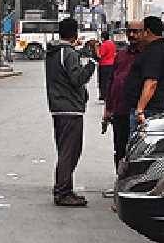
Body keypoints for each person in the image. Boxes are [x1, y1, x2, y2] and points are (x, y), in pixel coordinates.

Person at [44, 17, 98, 207]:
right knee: (70, 151)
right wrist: (92, 62)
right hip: (70, 109)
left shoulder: (53, 52)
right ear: (75, 34)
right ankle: (63, 192)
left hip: (59, 108)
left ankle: (63, 187)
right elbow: (77, 78)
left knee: (64, 149)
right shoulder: (67, 53)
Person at [103, 22, 142, 192]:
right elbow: (112, 81)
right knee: (119, 148)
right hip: (119, 110)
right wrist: (108, 109)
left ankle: (134, 186)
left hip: (137, 111)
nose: (132, 35)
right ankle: (120, 183)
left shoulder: (146, 56)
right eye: (130, 32)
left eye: (136, 32)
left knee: (136, 151)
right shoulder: (121, 55)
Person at [123, 15, 164, 133]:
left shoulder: (154, 51)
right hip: (151, 108)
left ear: (147, 32)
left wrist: (140, 109)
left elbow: (151, 82)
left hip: (148, 110)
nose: (139, 35)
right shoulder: (162, 48)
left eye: (141, 31)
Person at [97, 31, 117, 102]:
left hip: (104, 64)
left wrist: (97, 48)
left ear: (102, 37)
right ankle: (110, 94)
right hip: (112, 64)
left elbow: (99, 55)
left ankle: (104, 95)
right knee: (110, 80)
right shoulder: (112, 44)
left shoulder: (104, 45)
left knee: (103, 81)